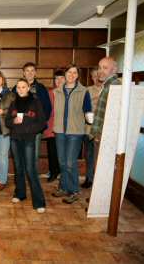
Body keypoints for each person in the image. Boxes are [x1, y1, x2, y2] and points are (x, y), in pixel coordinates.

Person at [52, 65, 92, 204]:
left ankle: (74, 190)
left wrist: (90, 118)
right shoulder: (57, 91)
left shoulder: (83, 91)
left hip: (75, 132)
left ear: (77, 75)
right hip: (59, 131)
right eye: (69, 72)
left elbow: (88, 110)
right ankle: (63, 187)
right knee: (62, 162)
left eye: (75, 72)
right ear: (65, 74)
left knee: (70, 163)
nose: (72, 74)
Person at [6, 78, 47, 213]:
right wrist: (14, 121)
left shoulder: (35, 102)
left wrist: (30, 129)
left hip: (29, 139)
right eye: (18, 87)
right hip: (15, 139)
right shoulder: (13, 103)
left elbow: (42, 123)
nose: (21, 89)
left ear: (28, 88)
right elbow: (7, 121)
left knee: (30, 169)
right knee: (18, 168)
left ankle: (39, 201)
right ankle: (20, 194)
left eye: (23, 87)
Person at [13, 62, 52, 176]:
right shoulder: (16, 88)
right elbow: (11, 107)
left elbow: (47, 108)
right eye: (27, 71)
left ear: (35, 73)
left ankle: (32, 179)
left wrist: (39, 125)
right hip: (20, 129)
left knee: (33, 155)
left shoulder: (41, 89)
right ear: (23, 73)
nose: (29, 73)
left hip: (34, 129)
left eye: (32, 70)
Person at [90, 57, 121, 158]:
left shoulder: (115, 86)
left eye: (105, 68)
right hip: (101, 137)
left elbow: (114, 117)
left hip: (106, 139)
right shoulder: (107, 85)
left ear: (114, 70)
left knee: (102, 171)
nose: (100, 71)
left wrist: (100, 135)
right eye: (99, 68)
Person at [81, 68, 102, 188]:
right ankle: (89, 178)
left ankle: (100, 181)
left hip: (103, 129)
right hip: (88, 129)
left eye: (98, 76)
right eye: (93, 76)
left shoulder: (110, 90)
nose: (96, 79)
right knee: (89, 155)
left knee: (101, 157)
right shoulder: (87, 90)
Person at [43, 70, 63, 182]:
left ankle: (61, 172)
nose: (59, 81)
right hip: (51, 126)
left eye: (61, 78)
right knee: (52, 151)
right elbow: (47, 110)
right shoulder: (50, 93)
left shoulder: (68, 92)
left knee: (62, 152)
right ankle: (53, 172)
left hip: (65, 128)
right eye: (56, 79)